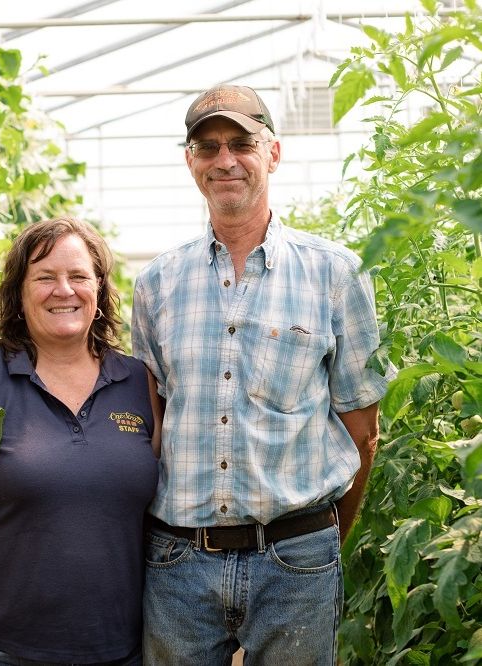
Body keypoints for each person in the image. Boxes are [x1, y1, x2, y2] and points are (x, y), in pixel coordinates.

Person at [131, 84, 394, 665]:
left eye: (241, 143)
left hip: (295, 558)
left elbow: (362, 431)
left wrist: (320, 541)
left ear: (272, 153)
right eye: (207, 147)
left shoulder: (336, 274)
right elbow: (155, 425)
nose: (225, 160)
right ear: (191, 162)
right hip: (179, 562)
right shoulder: (156, 285)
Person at [0, 217, 161, 666]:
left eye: (78, 276)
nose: (63, 290)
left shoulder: (139, 382)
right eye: (44, 277)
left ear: (100, 290)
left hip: (123, 651)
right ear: (19, 294)